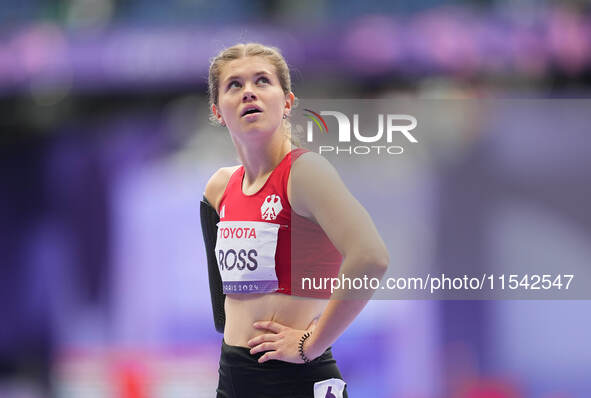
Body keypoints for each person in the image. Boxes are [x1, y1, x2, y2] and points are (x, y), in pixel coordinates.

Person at [200, 43, 389, 398]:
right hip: (234, 376)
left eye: (262, 81)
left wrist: (312, 343)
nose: (249, 92)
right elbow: (221, 302)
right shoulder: (219, 188)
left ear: (287, 102)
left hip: (294, 378)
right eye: (235, 85)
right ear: (217, 111)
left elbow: (371, 258)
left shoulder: (304, 174)